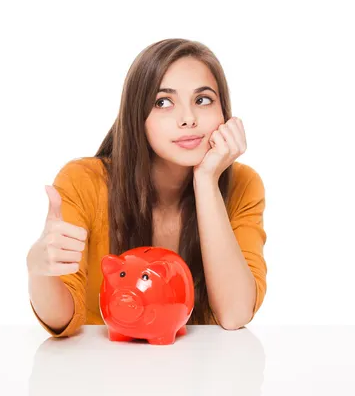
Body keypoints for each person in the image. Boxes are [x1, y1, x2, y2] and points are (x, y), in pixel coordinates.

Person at [26, 38, 268, 337]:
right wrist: (39, 271)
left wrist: (206, 181)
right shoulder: (84, 181)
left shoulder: (244, 184)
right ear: (137, 116)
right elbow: (62, 321)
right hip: (102, 374)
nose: (188, 119)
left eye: (203, 100)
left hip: (201, 376)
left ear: (224, 111)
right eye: (163, 102)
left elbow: (235, 313)